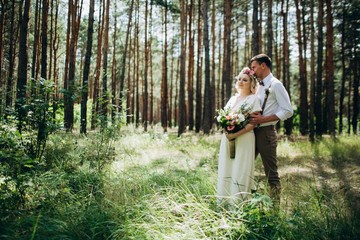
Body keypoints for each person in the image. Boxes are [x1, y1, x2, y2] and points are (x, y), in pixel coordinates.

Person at [249, 54, 293, 200]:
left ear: (263, 65)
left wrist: (263, 119)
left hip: (266, 133)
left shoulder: (275, 85)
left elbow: (288, 110)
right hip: (251, 132)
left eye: (254, 67)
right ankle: (245, 203)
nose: (252, 70)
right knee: (245, 167)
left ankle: (275, 211)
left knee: (271, 173)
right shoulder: (258, 85)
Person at [217, 67, 262, 207]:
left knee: (240, 169)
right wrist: (227, 130)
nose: (241, 82)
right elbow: (223, 117)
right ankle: (224, 203)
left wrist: (235, 134)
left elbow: (252, 124)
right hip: (228, 138)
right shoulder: (232, 99)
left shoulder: (253, 99)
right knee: (227, 168)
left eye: (245, 80)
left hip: (244, 139)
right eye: (239, 79)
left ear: (251, 83)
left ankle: (238, 205)